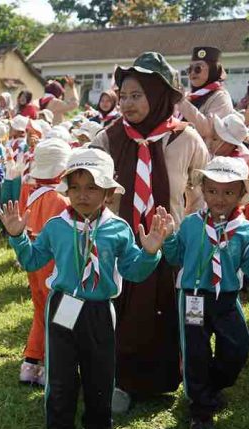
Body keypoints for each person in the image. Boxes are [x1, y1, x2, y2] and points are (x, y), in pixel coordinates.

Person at [0, 148, 172, 429]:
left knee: (101, 374)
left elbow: (134, 270)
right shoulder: (56, 226)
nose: (82, 195)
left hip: (99, 310)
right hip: (63, 306)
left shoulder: (118, 229)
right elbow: (32, 260)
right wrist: (18, 237)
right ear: (66, 188)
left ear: (108, 192)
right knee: (62, 377)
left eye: (92, 187)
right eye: (75, 187)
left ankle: (98, 426)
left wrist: (149, 253)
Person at [90, 52, 209, 404]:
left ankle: (159, 381)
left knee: (161, 312)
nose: (126, 104)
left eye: (137, 95)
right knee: (119, 310)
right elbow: (87, 186)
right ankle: (118, 380)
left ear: (159, 95)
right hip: (118, 247)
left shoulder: (185, 140)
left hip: (166, 248)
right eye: (123, 95)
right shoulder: (108, 139)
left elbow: (204, 191)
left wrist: (189, 234)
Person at [162, 157, 249, 429]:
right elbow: (174, 257)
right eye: (212, 191)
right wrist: (168, 237)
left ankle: (211, 386)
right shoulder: (190, 224)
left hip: (225, 298)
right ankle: (201, 409)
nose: (219, 198)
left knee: (238, 347)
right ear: (203, 190)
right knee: (196, 352)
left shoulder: (245, 229)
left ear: (240, 194)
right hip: (194, 297)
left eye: (228, 192)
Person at [17, 138, 71, 387]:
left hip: (35, 265)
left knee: (40, 311)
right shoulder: (61, 202)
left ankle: (30, 363)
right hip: (56, 267)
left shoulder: (31, 196)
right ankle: (53, 366)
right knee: (61, 315)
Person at [176, 46, 236, 152]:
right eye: (189, 69)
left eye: (198, 69)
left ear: (213, 70)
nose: (192, 73)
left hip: (207, 161)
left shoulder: (220, 97)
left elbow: (208, 130)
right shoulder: (190, 97)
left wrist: (182, 102)